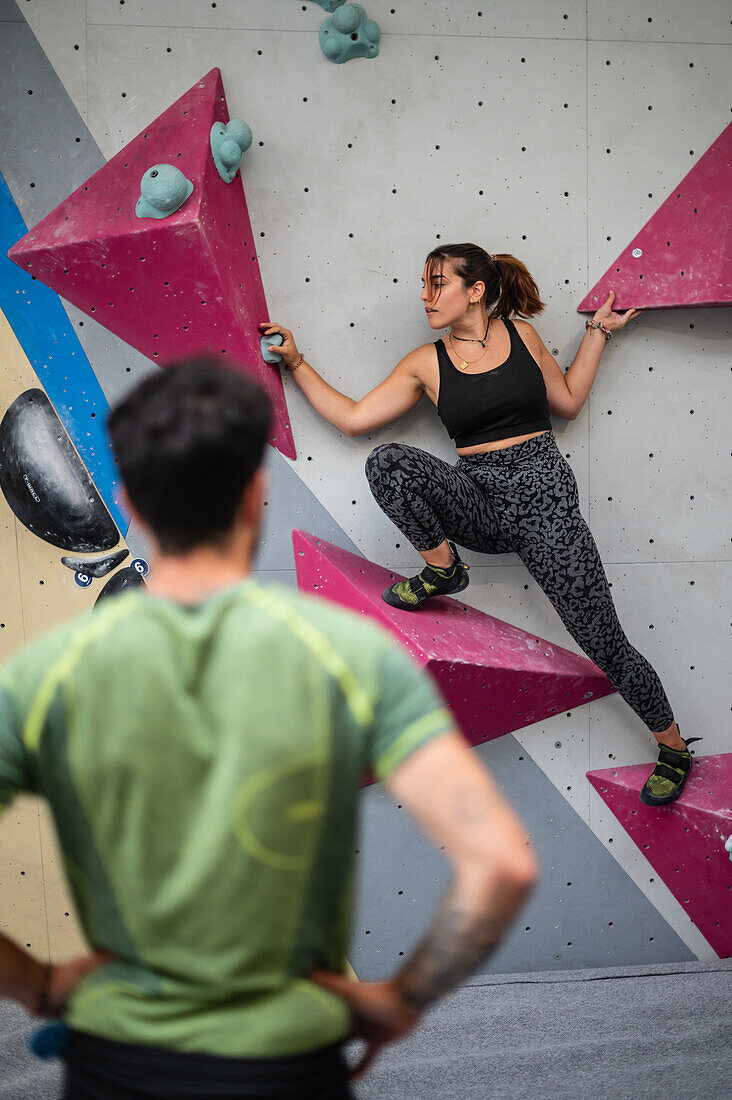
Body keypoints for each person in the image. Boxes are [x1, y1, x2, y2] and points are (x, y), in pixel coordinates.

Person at [0, 358, 537, 1100]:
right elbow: (502, 865)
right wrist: (396, 1001)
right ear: (255, 496)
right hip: (291, 1062)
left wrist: (41, 986)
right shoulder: (349, 656)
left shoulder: (45, 674)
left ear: (129, 500)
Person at [260, 243, 700, 807]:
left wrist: (599, 333)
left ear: (476, 290)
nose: (425, 295)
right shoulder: (426, 362)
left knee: (604, 642)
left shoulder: (521, 336)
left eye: (436, 283)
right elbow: (353, 418)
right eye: (423, 284)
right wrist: (296, 363)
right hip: (483, 501)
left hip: (546, 505)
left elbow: (565, 401)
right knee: (388, 461)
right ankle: (442, 569)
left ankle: (674, 749)